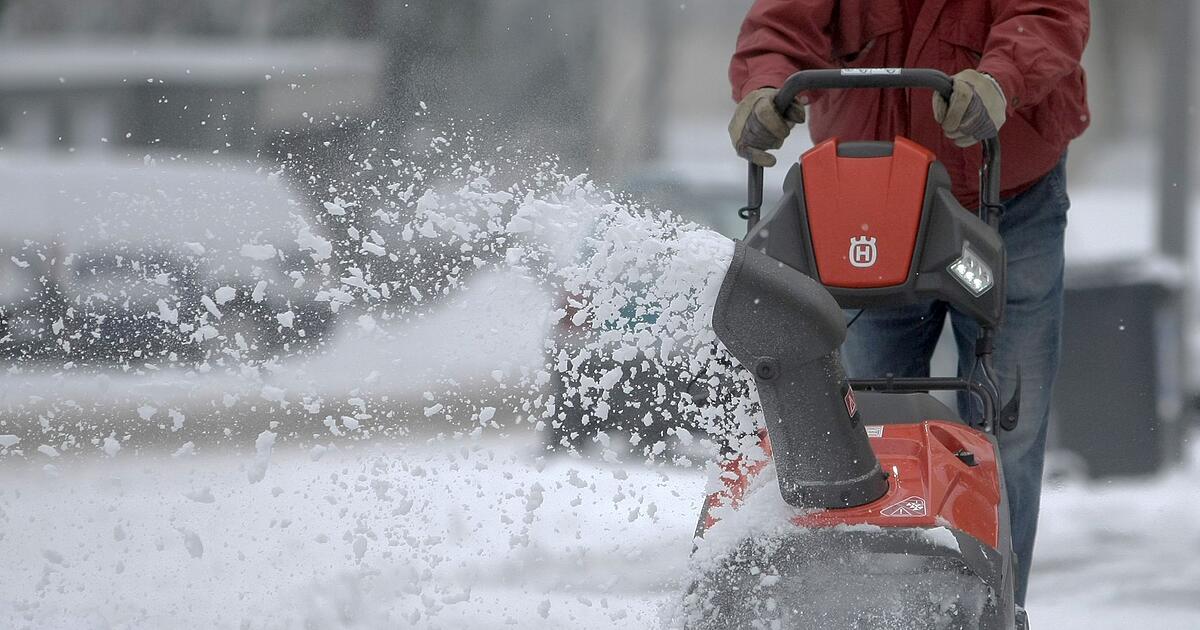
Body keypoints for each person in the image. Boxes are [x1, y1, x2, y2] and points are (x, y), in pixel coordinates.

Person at [726, 0, 1090, 607]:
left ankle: (996, 607)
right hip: (869, 199)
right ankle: (864, 604)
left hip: (1009, 196)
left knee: (1006, 432)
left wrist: (1000, 79)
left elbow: (1047, 15)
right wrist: (765, 85)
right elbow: (783, 19)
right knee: (860, 420)